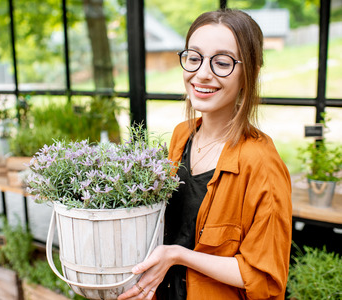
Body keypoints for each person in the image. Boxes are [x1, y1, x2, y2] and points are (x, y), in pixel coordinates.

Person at [118, 8, 292, 300]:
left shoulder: (261, 163)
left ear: (250, 72)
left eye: (222, 62)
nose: (202, 73)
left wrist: (179, 256)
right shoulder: (180, 136)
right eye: (194, 58)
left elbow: (264, 279)